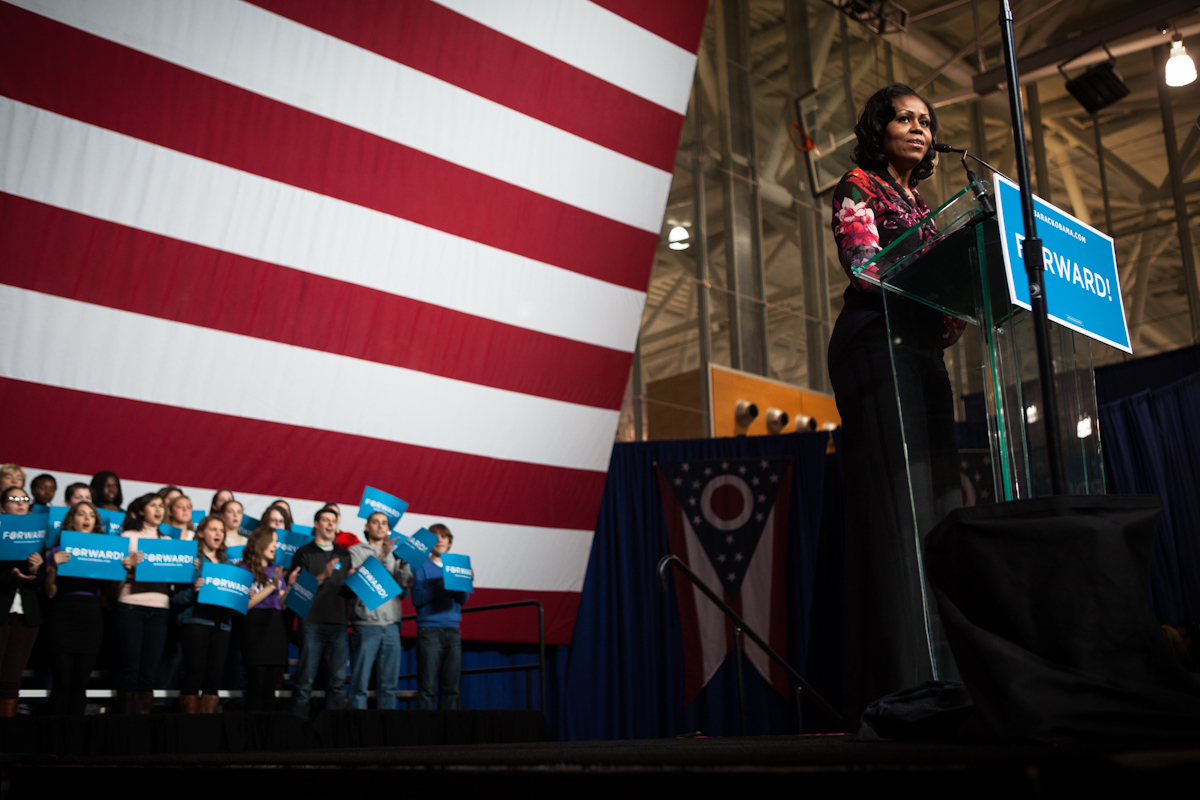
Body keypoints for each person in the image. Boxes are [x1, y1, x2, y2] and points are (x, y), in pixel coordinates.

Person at [827, 83, 963, 730]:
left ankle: (946, 670)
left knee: (936, 507)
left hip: (922, 351)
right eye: (904, 119)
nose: (918, 128)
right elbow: (864, 267)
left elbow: (944, 293)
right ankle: (901, 681)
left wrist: (959, 301)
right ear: (878, 129)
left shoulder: (926, 207)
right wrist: (933, 289)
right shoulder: (859, 185)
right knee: (896, 507)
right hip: (874, 345)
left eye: (926, 122)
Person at [287, 507, 351, 717]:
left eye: (334, 520)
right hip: (311, 623)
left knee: (336, 683)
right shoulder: (304, 553)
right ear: (316, 524)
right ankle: (298, 734)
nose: (330, 524)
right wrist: (323, 575)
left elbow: (349, 592)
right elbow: (297, 590)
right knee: (305, 682)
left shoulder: (344, 554)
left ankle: (332, 734)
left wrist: (355, 581)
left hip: (339, 624)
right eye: (325, 520)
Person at [347, 512, 413, 710]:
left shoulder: (395, 553)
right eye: (375, 522)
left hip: (391, 626)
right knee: (359, 684)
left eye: (384, 523)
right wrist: (382, 556)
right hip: (367, 625)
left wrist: (403, 562)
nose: (380, 526)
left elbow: (404, 585)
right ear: (367, 527)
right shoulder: (356, 551)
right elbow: (359, 581)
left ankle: (387, 733)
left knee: (389, 687)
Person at [44, 501, 105, 715]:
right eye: (81, 514)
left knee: (80, 685)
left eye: (91, 515)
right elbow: (50, 592)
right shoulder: (56, 552)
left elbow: (112, 593)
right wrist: (53, 567)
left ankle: (75, 743)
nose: (87, 518)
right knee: (62, 683)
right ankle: (53, 743)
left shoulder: (105, 551)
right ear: (72, 520)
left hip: (91, 616)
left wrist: (121, 568)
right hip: (63, 614)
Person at [114, 493, 171, 713]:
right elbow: (113, 575)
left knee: (150, 671)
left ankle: (142, 723)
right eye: (153, 505)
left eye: (161, 506)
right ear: (140, 511)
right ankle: (126, 724)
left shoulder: (169, 543)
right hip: (131, 605)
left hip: (160, 608)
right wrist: (125, 564)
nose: (158, 510)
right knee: (131, 668)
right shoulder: (127, 536)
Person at [172, 515, 230, 713]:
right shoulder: (191, 561)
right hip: (195, 622)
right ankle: (190, 728)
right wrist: (193, 591)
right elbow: (175, 598)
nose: (218, 534)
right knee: (194, 673)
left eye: (221, 530)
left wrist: (241, 593)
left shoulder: (228, 564)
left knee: (214, 677)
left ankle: (207, 728)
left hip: (221, 625)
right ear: (200, 533)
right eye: (213, 529)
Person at [411, 523, 469, 710]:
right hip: (429, 630)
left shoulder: (456, 564)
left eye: (444, 536)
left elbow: (462, 599)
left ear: (449, 541)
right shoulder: (420, 564)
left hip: (453, 630)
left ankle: (449, 736)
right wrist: (441, 585)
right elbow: (417, 598)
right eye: (435, 536)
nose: (440, 540)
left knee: (451, 688)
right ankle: (425, 736)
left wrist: (465, 582)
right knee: (427, 689)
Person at [0, 485, 42, 716]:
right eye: (13, 499)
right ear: (2, 507)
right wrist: (10, 575)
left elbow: (44, 584)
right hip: (2, 609)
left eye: (24, 499)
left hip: (27, 615)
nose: (20, 502)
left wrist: (36, 569)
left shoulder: (37, 537)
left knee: (12, 679)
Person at [240, 526, 290, 712]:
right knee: (256, 685)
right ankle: (251, 734)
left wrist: (290, 587)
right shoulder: (243, 570)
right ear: (260, 543)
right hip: (255, 628)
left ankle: (267, 735)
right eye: (272, 541)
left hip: (275, 627)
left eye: (277, 542)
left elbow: (282, 604)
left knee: (270, 689)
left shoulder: (275, 571)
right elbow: (245, 604)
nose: (275, 546)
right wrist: (271, 587)